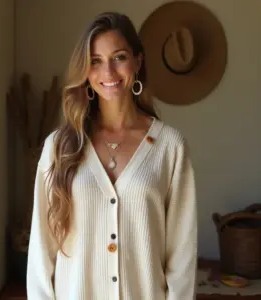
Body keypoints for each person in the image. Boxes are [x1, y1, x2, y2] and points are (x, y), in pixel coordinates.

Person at [27, 11, 197, 300]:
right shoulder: (59, 147)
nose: (108, 73)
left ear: (137, 61)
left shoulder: (170, 147)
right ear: (85, 70)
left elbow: (182, 258)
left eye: (119, 57)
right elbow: (41, 255)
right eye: (95, 61)